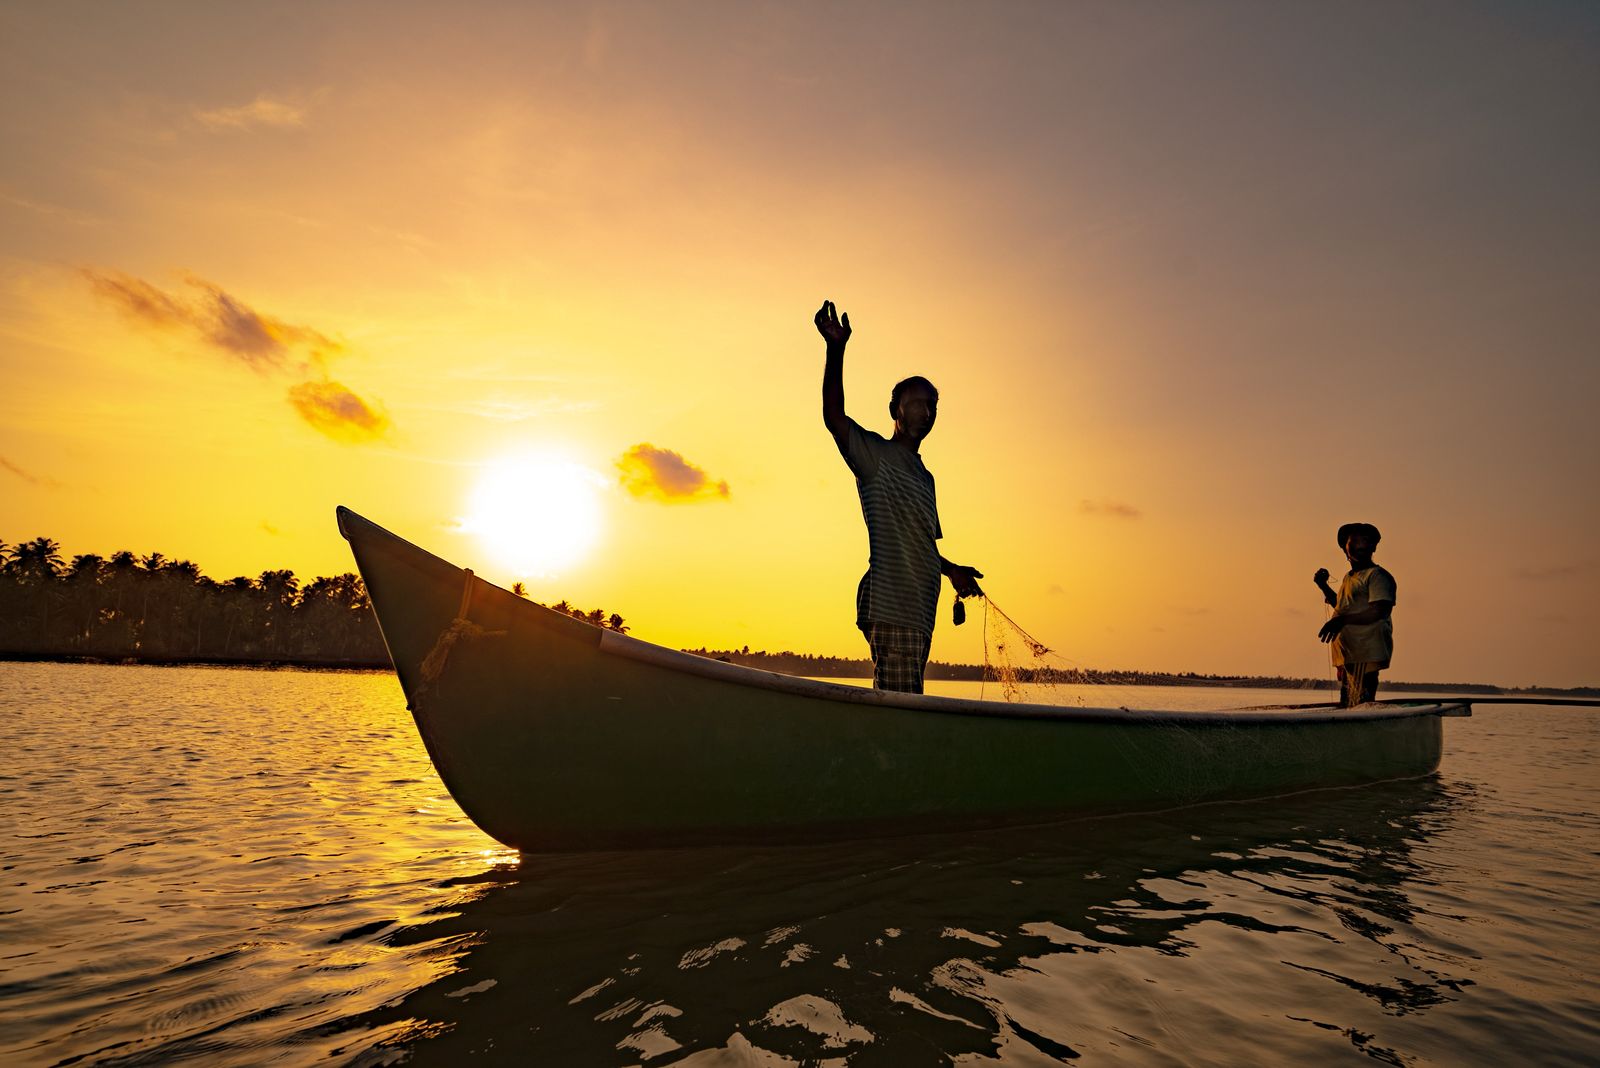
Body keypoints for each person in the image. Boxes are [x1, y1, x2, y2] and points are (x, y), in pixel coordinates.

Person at [816, 299, 984, 694]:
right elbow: (833, 416)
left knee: (903, 704)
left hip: (920, 613)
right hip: (893, 609)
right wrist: (835, 348)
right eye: (916, 403)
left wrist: (951, 570)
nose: (926, 412)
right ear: (895, 409)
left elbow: (920, 544)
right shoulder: (876, 457)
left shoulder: (926, 478)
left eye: (932, 405)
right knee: (900, 710)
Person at [1314, 522, 1397, 708]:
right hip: (1348, 654)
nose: (1361, 545)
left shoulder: (1377, 576)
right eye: (1355, 540)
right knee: (1347, 704)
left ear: (1374, 547)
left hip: (1365, 651)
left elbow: (1380, 611)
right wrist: (1323, 586)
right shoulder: (1348, 578)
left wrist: (1341, 621)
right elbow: (1342, 607)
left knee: (1362, 703)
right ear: (1345, 547)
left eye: (1366, 541)